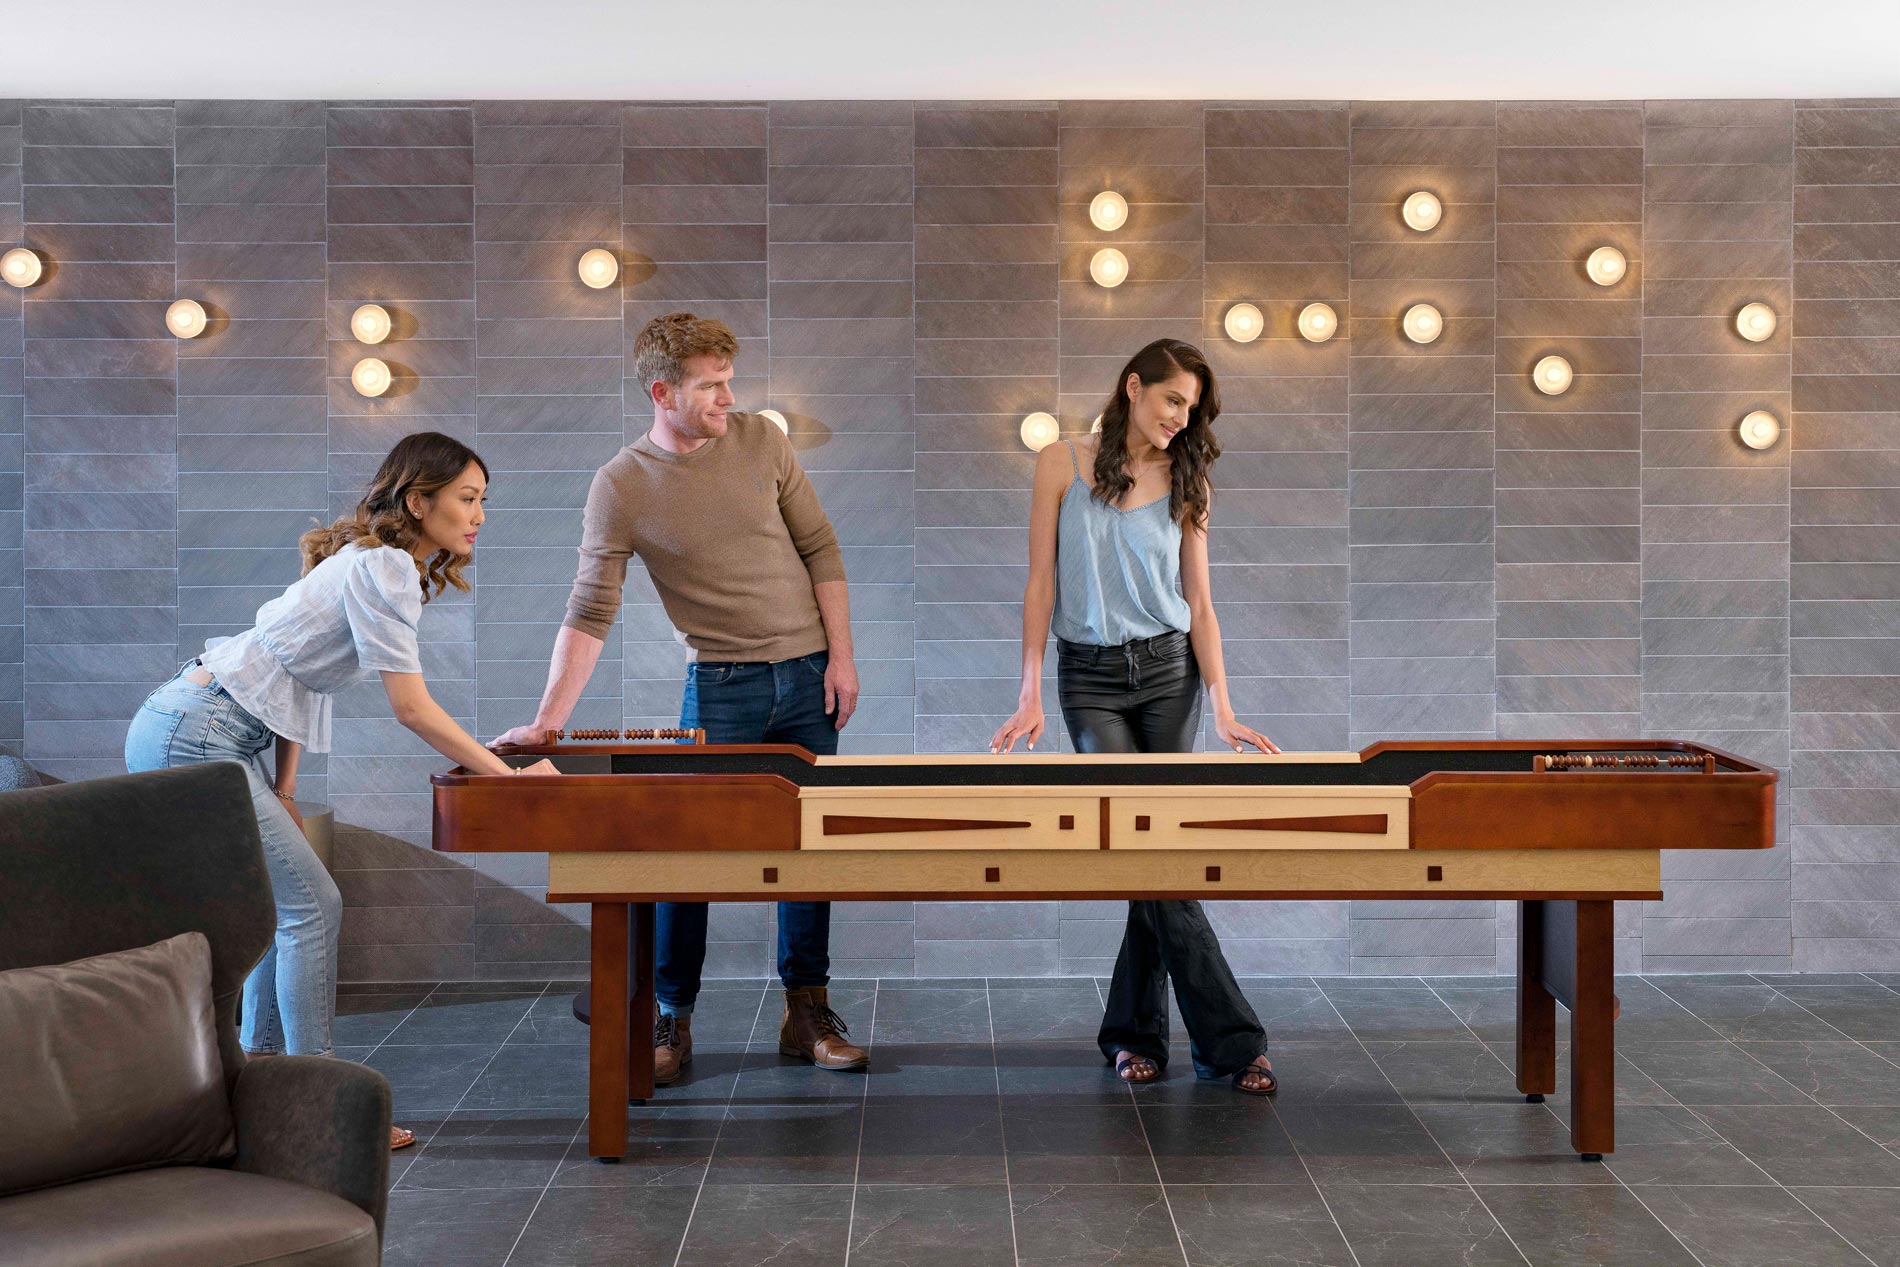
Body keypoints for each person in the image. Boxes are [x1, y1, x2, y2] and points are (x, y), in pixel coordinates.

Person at [125, 431, 556, 1149]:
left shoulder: (372, 562)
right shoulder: (385, 566)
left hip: (202, 724)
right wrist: (507, 778)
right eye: (468, 499)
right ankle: (318, 1110)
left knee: (282, 909)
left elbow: (299, 669)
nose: (479, 516)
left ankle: (265, 1090)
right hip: (197, 730)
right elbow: (412, 707)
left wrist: (288, 784)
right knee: (313, 906)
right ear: (419, 500)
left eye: (483, 501)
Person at [494, 312, 868, 1085]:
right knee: (684, 855)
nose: (729, 397)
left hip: (806, 677)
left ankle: (806, 1010)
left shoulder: (764, 440)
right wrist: (549, 721)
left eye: (731, 381)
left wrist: (843, 658)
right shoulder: (622, 485)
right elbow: (590, 609)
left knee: (805, 849)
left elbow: (821, 547)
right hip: (722, 687)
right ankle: (672, 1017)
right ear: (663, 392)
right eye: (712, 386)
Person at [989, 338, 1281, 1095]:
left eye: (1191, 407)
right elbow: (1040, 582)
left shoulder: (1190, 478)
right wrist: (1028, 689)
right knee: (1145, 854)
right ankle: (1233, 1041)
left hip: (1169, 675)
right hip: (1087, 677)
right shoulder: (1061, 461)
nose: (1181, 419)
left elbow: (1203, 606)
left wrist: (1223, 704)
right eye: (1172, 400)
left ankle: (1133, 1036)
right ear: (1132, 388)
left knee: (1155, 858)